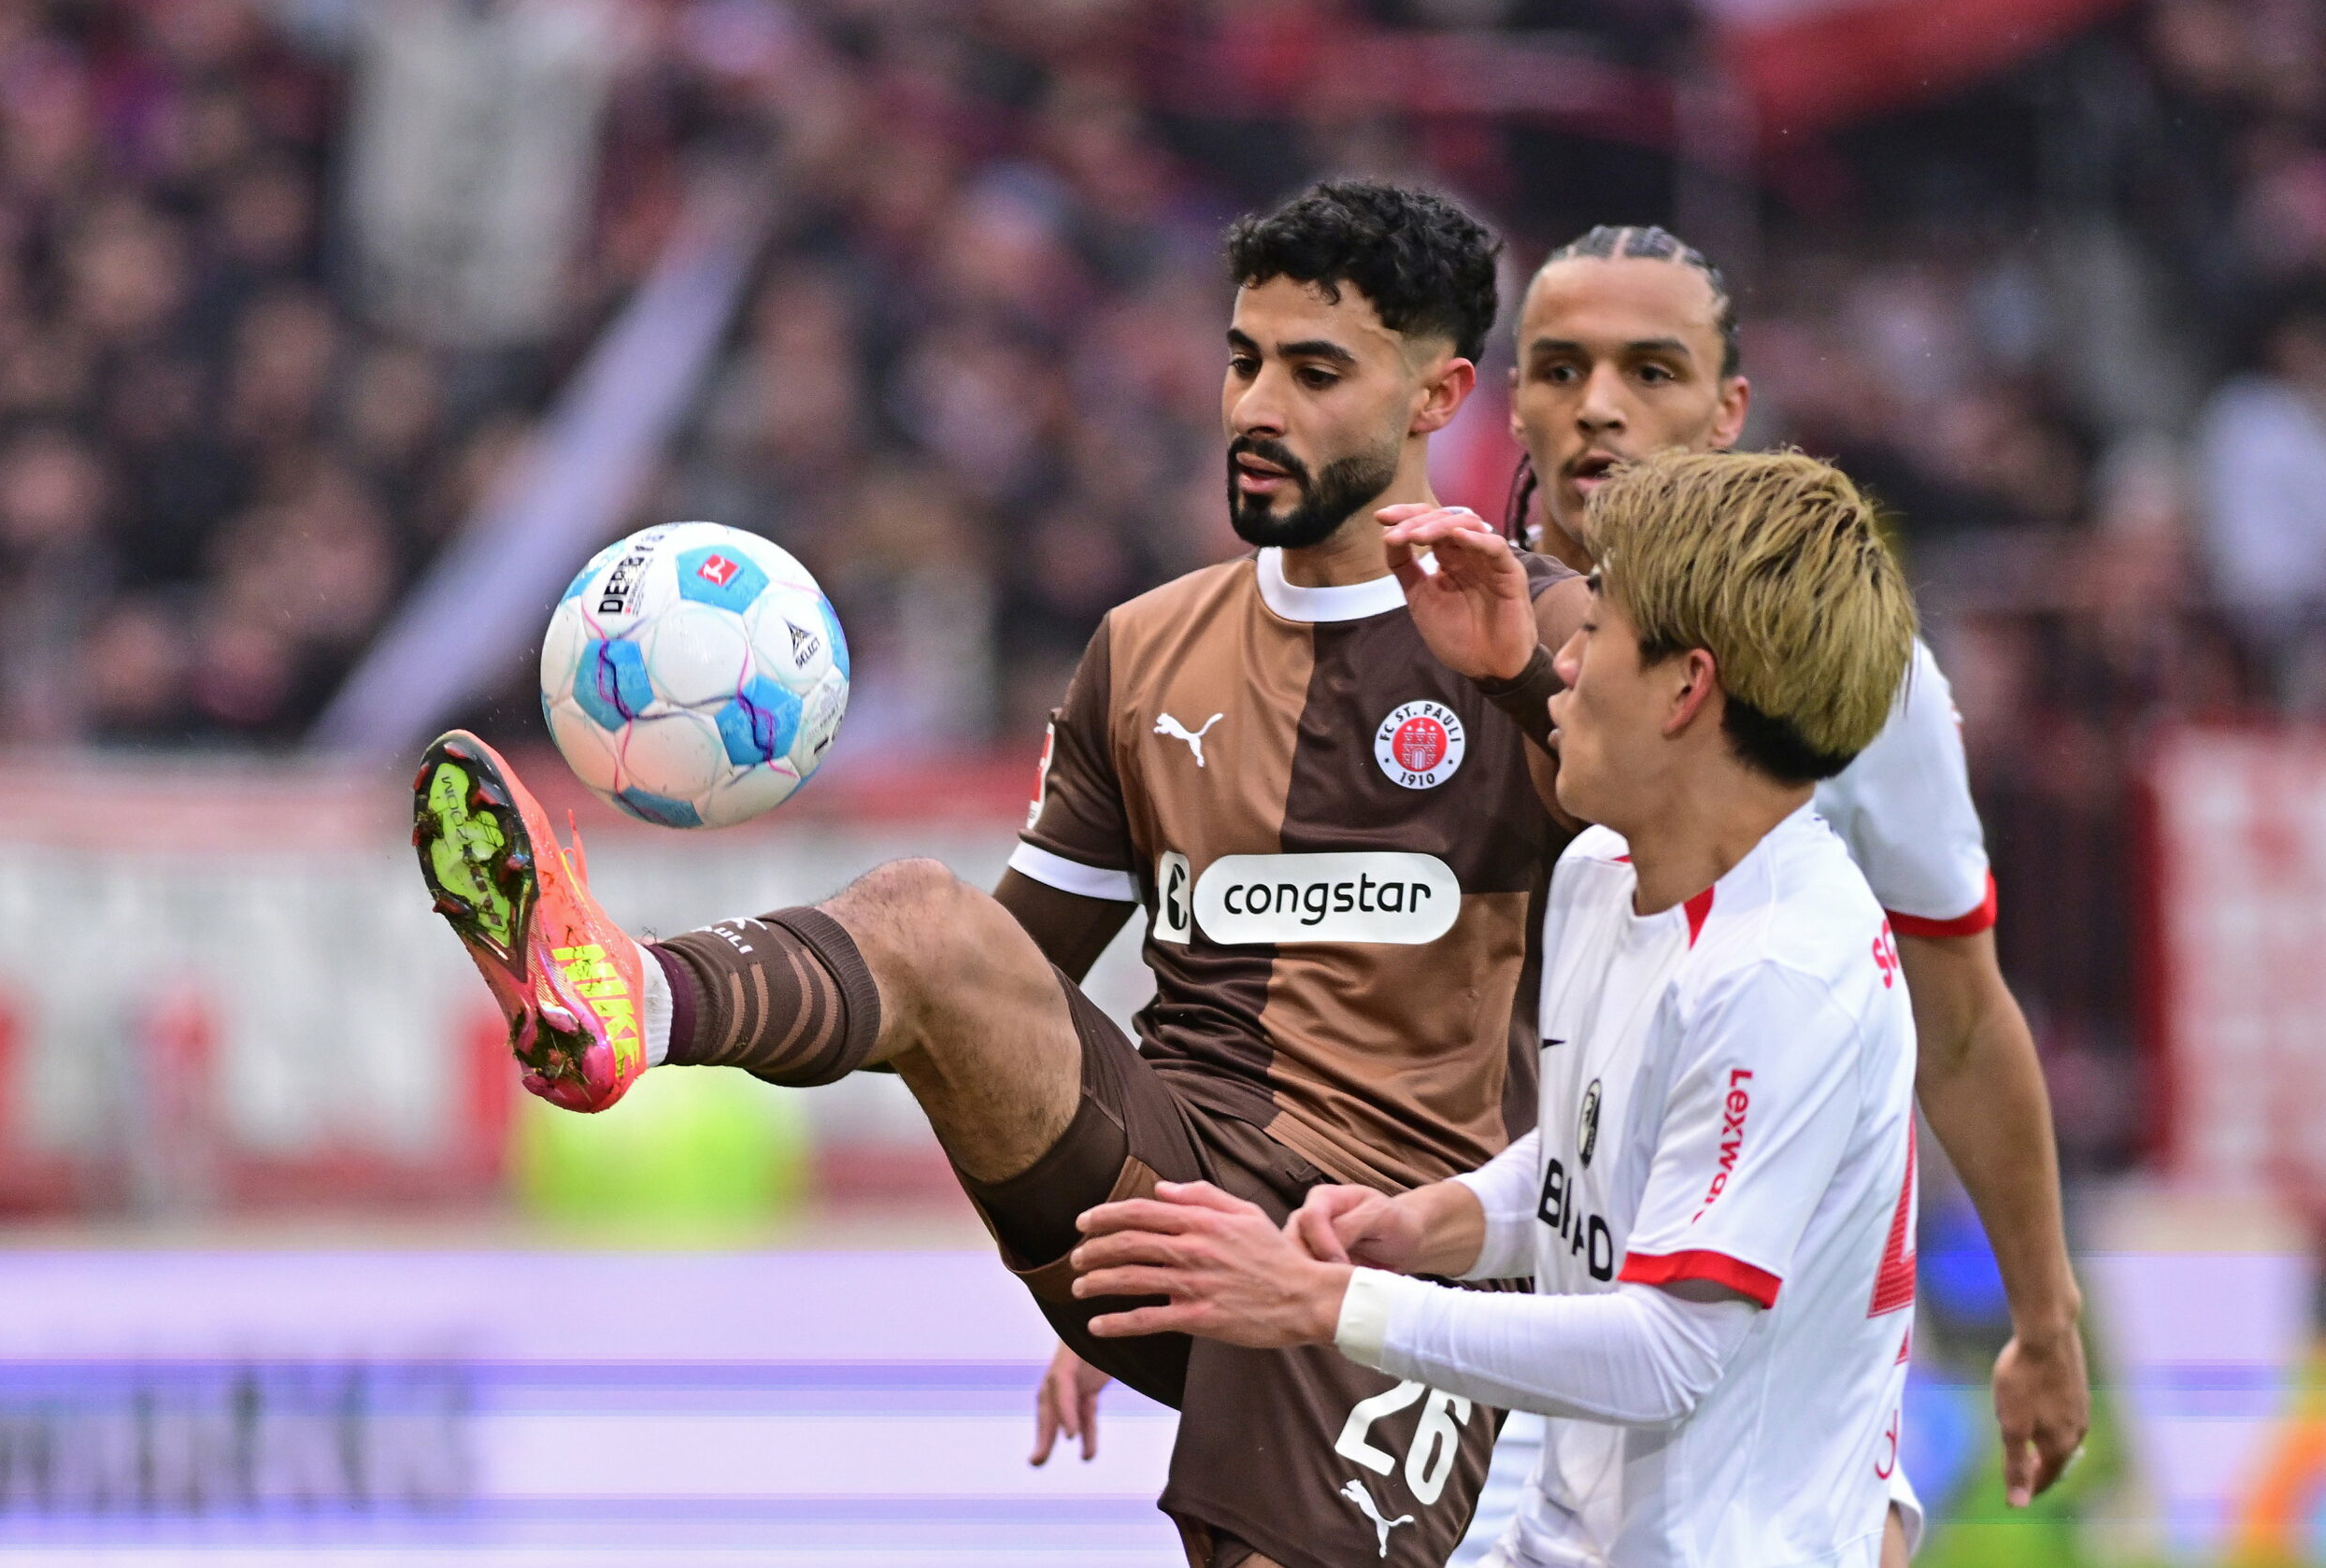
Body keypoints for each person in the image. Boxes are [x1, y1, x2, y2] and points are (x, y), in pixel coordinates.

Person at [410, 180, 1589, 1568]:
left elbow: (1685, 848)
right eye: (1242, 358)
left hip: (1403, 1253)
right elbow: (1004, 970)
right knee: (926, 915)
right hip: (1169, 1192)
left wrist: (1514, 675)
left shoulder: (1546, 627)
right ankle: (634, 1003)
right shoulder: (1144, 652)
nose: (1257, 405)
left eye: (1314, 370)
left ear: (1437, 394)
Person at [1035, 222, 2090, 1565]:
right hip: (1499, 1362)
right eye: (1563, 365)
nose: (1600, 405)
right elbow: (1581, 1135)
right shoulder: (1589, 838)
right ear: (1496, 390)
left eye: (1652, 370)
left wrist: (2041, 1322)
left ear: (1730, 411)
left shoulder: (1820, 810)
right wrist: (1342, 1243)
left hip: (1691, 1404)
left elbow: (1952, 1025)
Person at [1067, 448, 1924, 1568]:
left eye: (1597, 626)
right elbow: (1581, 1165)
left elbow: (1669, 1352)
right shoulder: (1603, 876)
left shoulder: (1780, 974)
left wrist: (1330, 1301)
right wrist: (1421, 1222)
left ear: (1686, 685)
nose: (1560, 660)